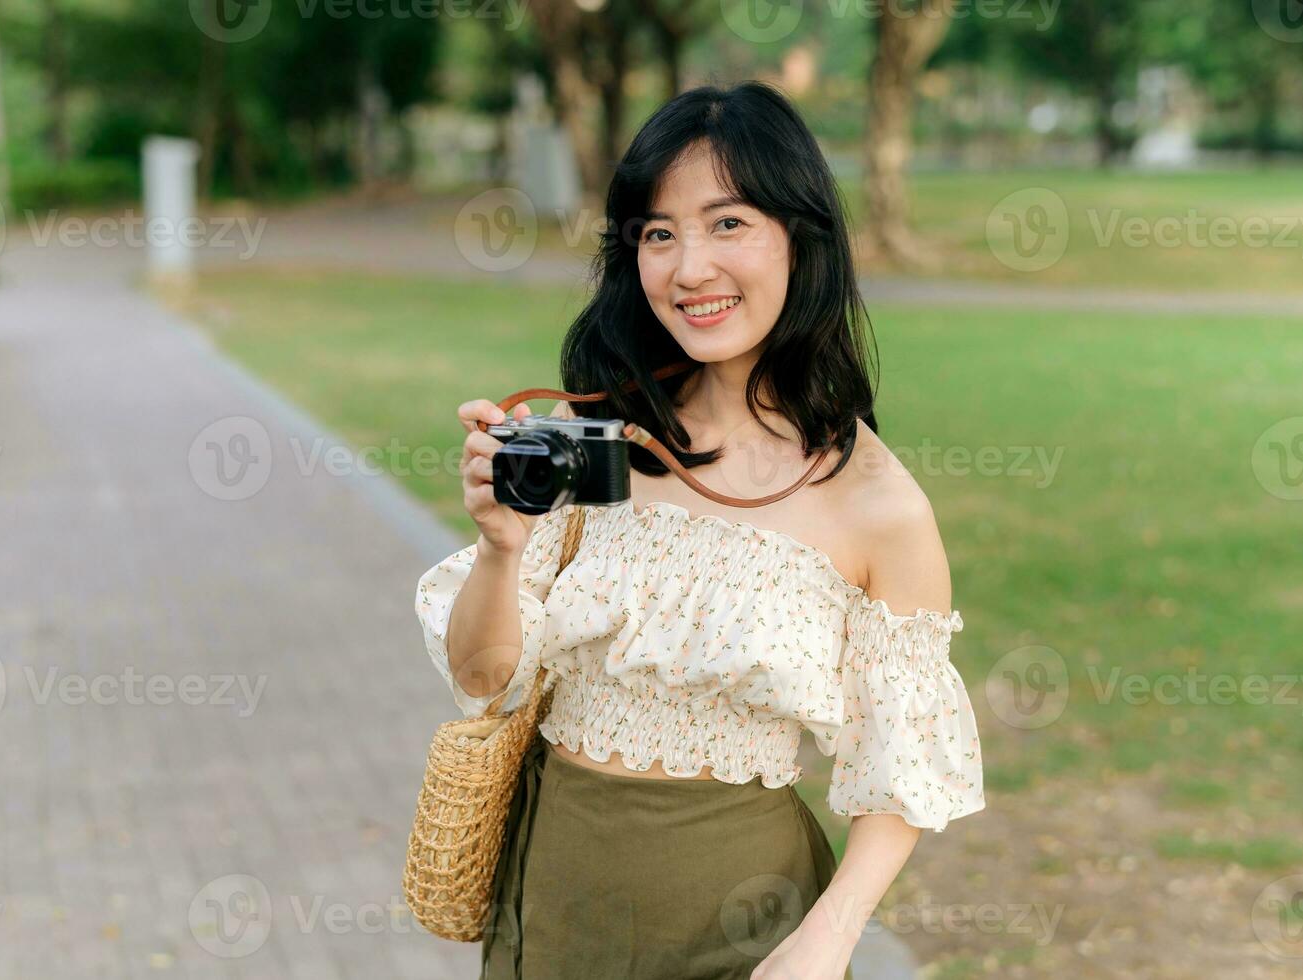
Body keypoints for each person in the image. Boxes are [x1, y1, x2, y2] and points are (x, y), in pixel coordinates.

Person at [414, 80, 984, 980]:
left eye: (727, 223)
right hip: (555, 892)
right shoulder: (597, 442)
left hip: (741, 915)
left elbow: (900, 765)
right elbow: (481, 677)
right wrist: (499, 545)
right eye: (657, 232)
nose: (688, 269)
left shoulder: (878, 504)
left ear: (801, 237)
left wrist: (826, 939)